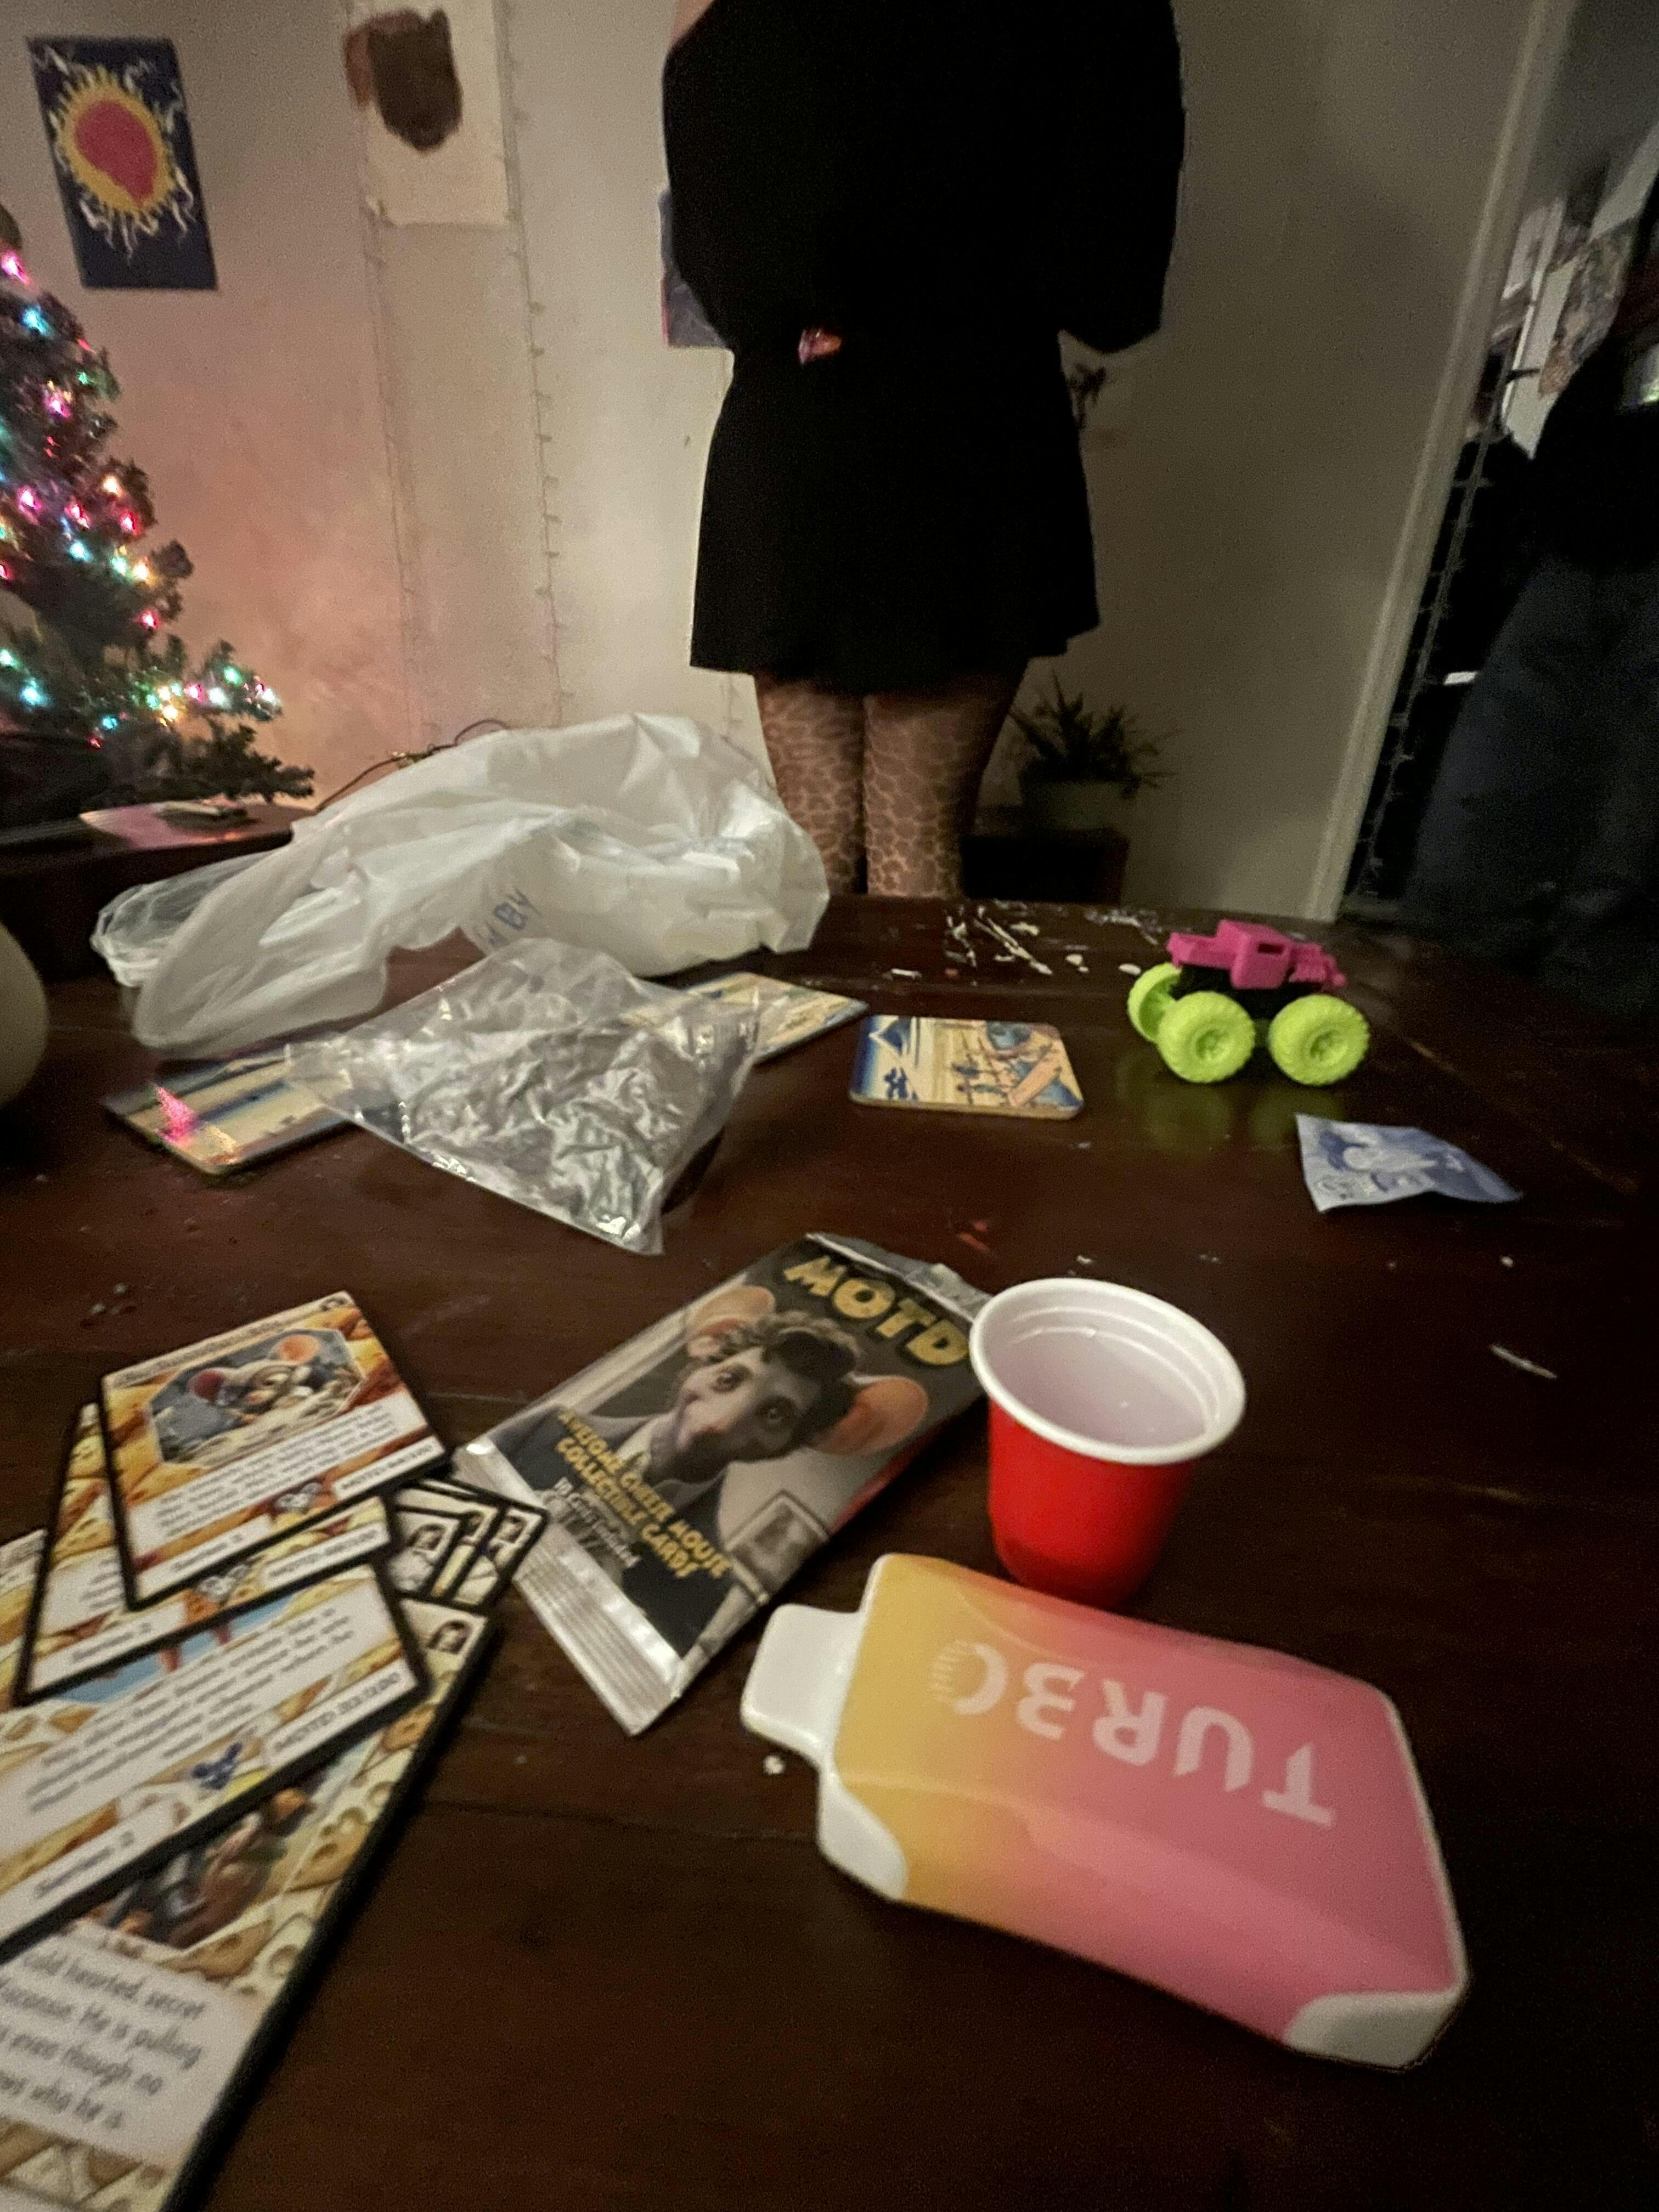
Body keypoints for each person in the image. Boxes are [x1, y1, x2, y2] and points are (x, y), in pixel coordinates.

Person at [662, 0, 1184, 898]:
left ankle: (807, 995)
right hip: (959, 435)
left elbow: (719, 279)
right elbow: (1112, 293)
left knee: (814, 848)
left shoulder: (714, 21)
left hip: (787, 438)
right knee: (915, 843)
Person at [1401, 180, 1659, 1022]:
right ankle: (1431, 1062)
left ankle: (1563, 1090)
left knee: (1616, 891)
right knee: (1469, 861)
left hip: (1599, 546)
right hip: (1583, 535)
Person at [500, 1312, 863, 1514]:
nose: (718, 1425)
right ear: (699, 1368)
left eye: (773, 1415)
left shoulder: (705, 1588)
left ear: (789, 1444)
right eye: (727, 1380)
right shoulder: (544, 1427)